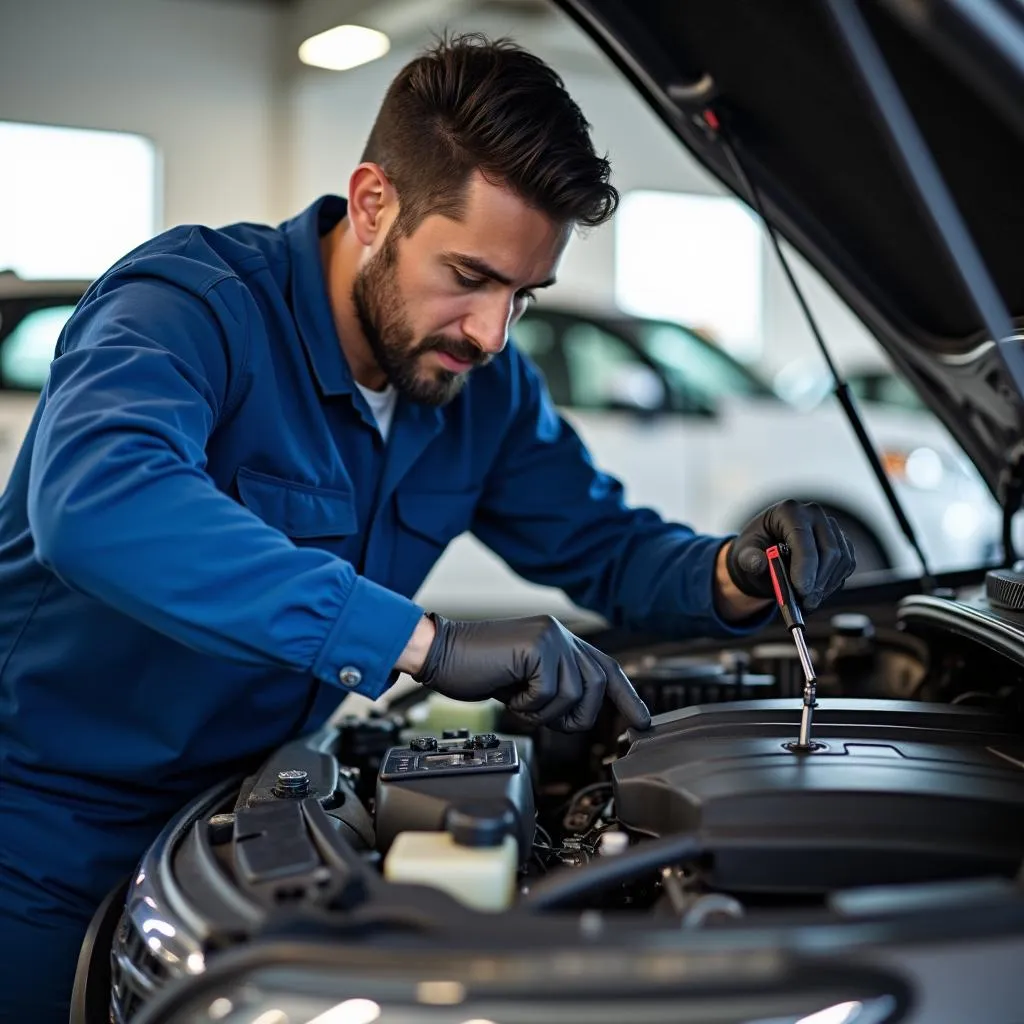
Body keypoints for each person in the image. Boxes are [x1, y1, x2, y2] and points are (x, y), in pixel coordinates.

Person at [0, 33, 855, 1022]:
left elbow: (608, 547)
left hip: (249, 827)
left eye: (522, 296)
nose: (491, 334)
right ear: (373, 205)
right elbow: (101, 505)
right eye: (469, 275)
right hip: (40, 842)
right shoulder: (192, 308)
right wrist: (425, 641)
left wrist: (742, 570)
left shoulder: (480, 395)